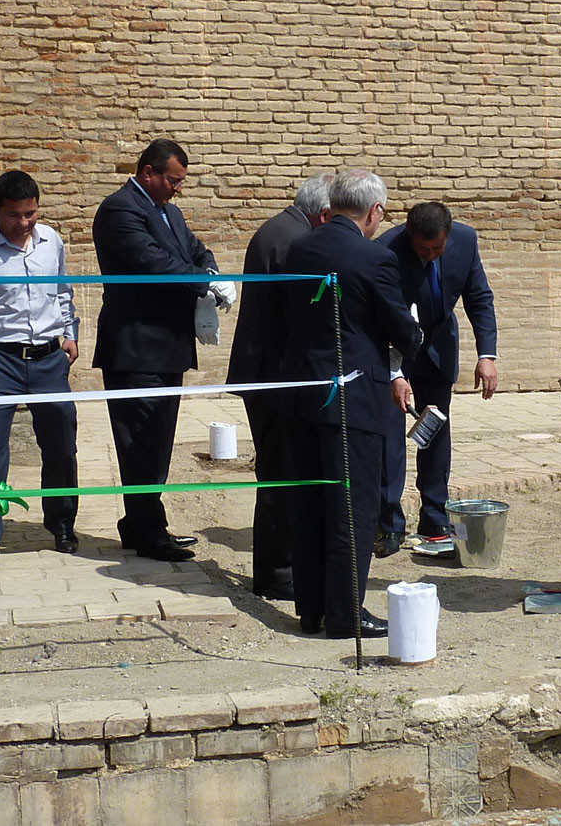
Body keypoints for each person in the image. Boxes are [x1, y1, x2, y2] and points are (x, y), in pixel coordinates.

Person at [276, 169, 421, 639]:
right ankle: (345, 614)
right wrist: (413, 333)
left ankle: (312, 608)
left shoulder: (302, 246)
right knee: (351, 509)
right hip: (352, 396)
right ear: (374, 211)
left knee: (310, 503)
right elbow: (401, 330)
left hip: (302, 392)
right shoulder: (373, 257)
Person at [93, 138, 231, 562]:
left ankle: (140, 522)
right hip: (136, 347)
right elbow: (154, 264)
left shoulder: (168, 211)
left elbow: (193, 249)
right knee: (139, 441)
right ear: (148, 172)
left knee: (159, 440)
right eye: (173, 180)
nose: (178, 189)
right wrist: (203, 282)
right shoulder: (120, 210)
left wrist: (208, 267)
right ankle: (150, 531)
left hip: (166, 345)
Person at [0, 171, 81, 575]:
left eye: (31, 213)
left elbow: (61, 291)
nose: (24, 223)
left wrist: (69, 332)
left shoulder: (51, 241)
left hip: (48, 359)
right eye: (15, 216)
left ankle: (61, 524)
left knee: (61, 444)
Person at [226, 172, 332, 600]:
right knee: (279, 472)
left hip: (266, 372)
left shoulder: (280, 229)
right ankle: (275, 571)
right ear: (323, 212)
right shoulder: (293, 240)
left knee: (280, 469)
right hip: (274, 376)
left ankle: (281, 565)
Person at [375, 201, 497, 556]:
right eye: (422, 248)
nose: (430, 255)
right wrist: (395, 373)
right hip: (395, 347)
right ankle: (388, 523)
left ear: (448, 236)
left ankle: (433, 516)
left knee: (435, 432)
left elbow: (479, 298)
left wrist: (486, 355)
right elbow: (380, 314)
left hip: (439, 349)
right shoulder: (385, 250)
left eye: (437, 249)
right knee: (390, 437)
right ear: (409, 236)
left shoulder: (466, 241)